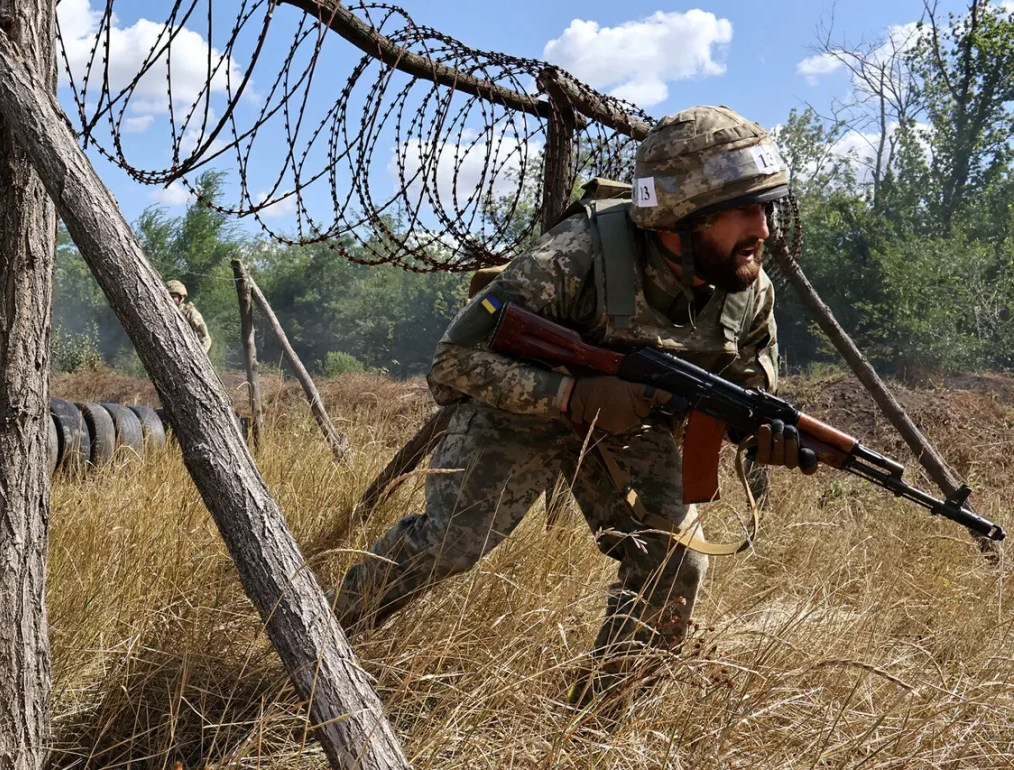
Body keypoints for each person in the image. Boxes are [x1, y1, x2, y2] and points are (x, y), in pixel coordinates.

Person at [332, 105, 818, 706]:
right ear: (681, 216)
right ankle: (319, 646)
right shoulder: (576, 254)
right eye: (744, 210)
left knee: (676, 565)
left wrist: (759, 433)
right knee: (450, 545)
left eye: (767, 206)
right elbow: (454, 360)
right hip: (523, 404)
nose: (764, 230)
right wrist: (571, 395)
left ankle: (596, 720)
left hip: (631, 419)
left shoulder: (749, 289)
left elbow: (744, 384)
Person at [166, 280, 211, 353]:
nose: (169, 299)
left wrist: (199, 355)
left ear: (182, 297)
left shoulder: (190, 312)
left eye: (173, 297)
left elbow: (205, 338)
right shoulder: (165, 312)